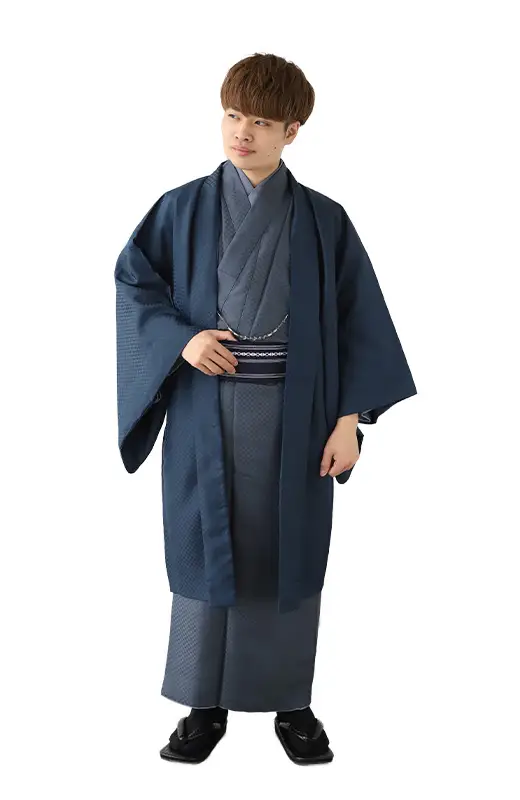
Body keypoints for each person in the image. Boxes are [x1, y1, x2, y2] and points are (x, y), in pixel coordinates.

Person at [114, 52, 417, 765]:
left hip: (297, 418)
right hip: (204, 415)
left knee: (289, 556)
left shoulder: (323, 220)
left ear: (292, 130)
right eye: (232, 115)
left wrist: (349, 421)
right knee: (202, 551)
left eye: (259, 121)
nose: (241, 133)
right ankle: (203, 706)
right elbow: (134, 284)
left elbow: (360, 322)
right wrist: (182, 339)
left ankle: (291, 703)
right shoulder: (182, 208)